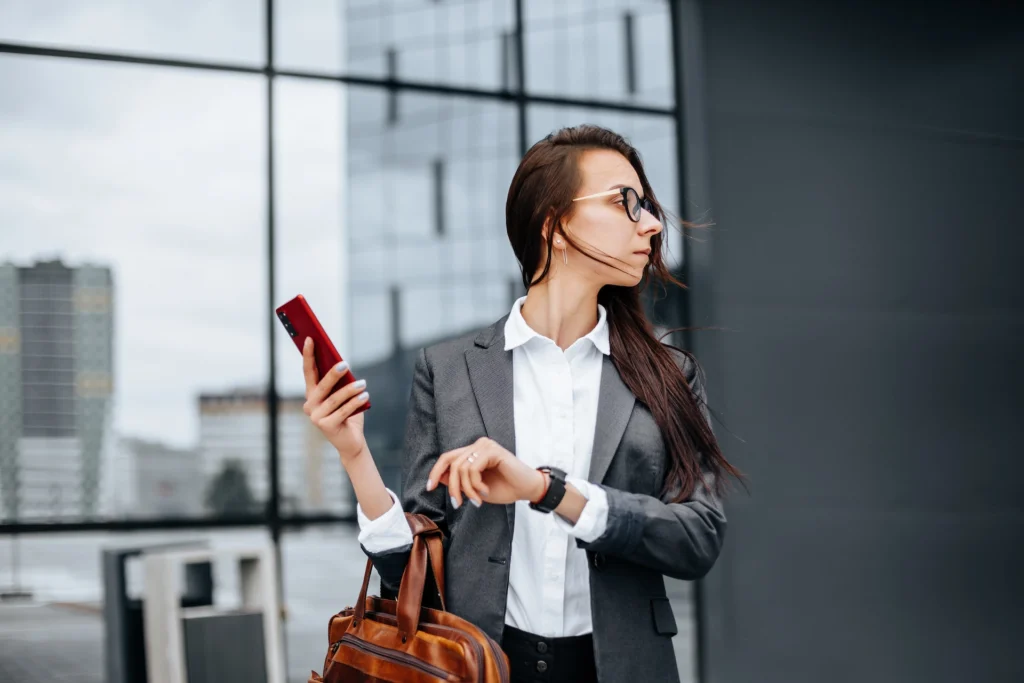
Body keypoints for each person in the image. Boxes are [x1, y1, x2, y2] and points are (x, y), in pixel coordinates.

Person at [300, 125, 742, 683]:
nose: (651, 223)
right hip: (482, 665)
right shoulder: (450, 369)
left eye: (647, 205)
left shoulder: (670, 375)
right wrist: (354, 456)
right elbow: (411, 571)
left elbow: (698, 538)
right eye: (625, 203)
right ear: (555, 225)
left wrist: (549, 490)